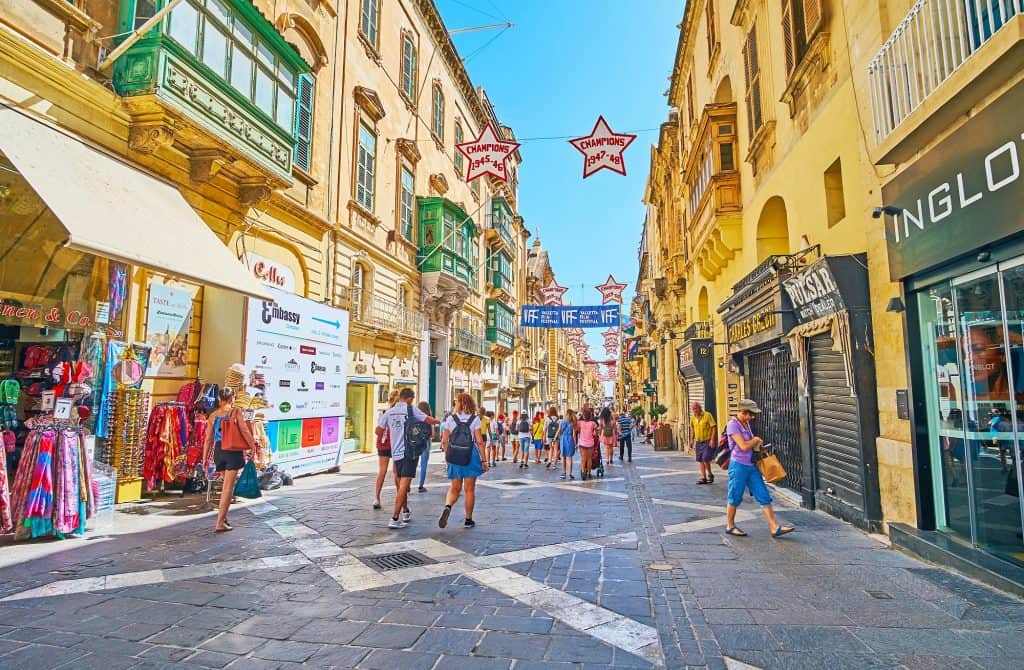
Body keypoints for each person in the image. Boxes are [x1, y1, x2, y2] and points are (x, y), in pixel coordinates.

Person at [724, 399, 794, 538]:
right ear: (743, 412)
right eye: (751, 414)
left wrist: (759, 447)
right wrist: (755, 440)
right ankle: (730, 526)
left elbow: (748, 446)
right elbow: (743, 446)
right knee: (735, 496)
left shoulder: (746, 423)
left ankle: (774, 527)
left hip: (751, 465)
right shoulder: (732, 425)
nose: (753, 417)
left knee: (763, 495)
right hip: (738, 466)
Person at [378, 388, 439, 529]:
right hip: (410, 452)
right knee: (404, 486)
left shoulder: (389, 412)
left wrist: (392, 433)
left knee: (401, 485)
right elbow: (428, 420)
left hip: (396, 454)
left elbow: (379, 430)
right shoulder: (411, 410)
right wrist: (439, 421)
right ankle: (394, 518)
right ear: (410, 398)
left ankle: (405, 512)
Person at [205, 387, 257, 533]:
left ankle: (224, 518)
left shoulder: (213, 415)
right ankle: (220, 523)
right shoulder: (235, 412)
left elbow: (208, 439)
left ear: (219, 399)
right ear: (232, 398)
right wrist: (252, 446)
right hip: (232, 451)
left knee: (226, 487)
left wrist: (204, 458)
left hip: (218, 452)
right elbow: (244, 430)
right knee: (227, 488)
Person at [439, 392, 489, 529]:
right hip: (470, 455)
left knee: (454, 488)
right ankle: (468, 520)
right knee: (469, 490)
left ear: (458, 404)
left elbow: (445, 440)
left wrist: (447, 457)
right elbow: (479, 441)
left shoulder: (450, 419)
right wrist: (484, 460)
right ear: (471, 403)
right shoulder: (475, 419)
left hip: (454, 455)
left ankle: (448, 506)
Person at [372, 390, 401, 510]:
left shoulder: (385, 412)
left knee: (382, 470)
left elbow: (377, 430)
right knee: (396, 472)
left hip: (384, 443)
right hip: (396, 443)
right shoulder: (402, 413)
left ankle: (377, 498)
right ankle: (401, 498)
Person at [691, 402, 717, 485]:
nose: (694, 410)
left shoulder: (707, 415)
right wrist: (692, 440)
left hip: (707, 441)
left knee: (705, 458)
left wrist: (712, 440)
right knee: (700, 460)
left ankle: (709, 473)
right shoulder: (693, 418)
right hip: (698, 442)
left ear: (700, 408)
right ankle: (703, 477)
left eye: (696, 408)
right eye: (693, 409)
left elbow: (713, 427)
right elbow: (692, 429)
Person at [576, 407, 599, 480]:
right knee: (589, 459)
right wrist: (593, 432)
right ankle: (589, 473)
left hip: (582, 442)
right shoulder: (593, 423)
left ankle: (583, 472)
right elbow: (596, 431)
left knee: (583, 458)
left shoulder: (579, 423)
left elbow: (578, 431)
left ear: (583, 416)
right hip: (590, 443)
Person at [555, 408, 578, 480]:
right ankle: (570, 473)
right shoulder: (573, 423)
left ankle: (563, 472)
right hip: (570, 439)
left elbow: (558, 431)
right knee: (569, 457)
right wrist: (575, 444)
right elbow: (574, 435)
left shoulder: (562, 422)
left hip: (563, 440)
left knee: (563, 457)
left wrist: (555, 438)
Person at [417, 401, 434, 492]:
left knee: (413, 464)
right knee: (423, 464)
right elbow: (433, 434)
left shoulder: (415, 417)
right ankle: (421, 485)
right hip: (425, 442)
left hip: (415, 442)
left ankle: (407, 485)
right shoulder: (429, 418)